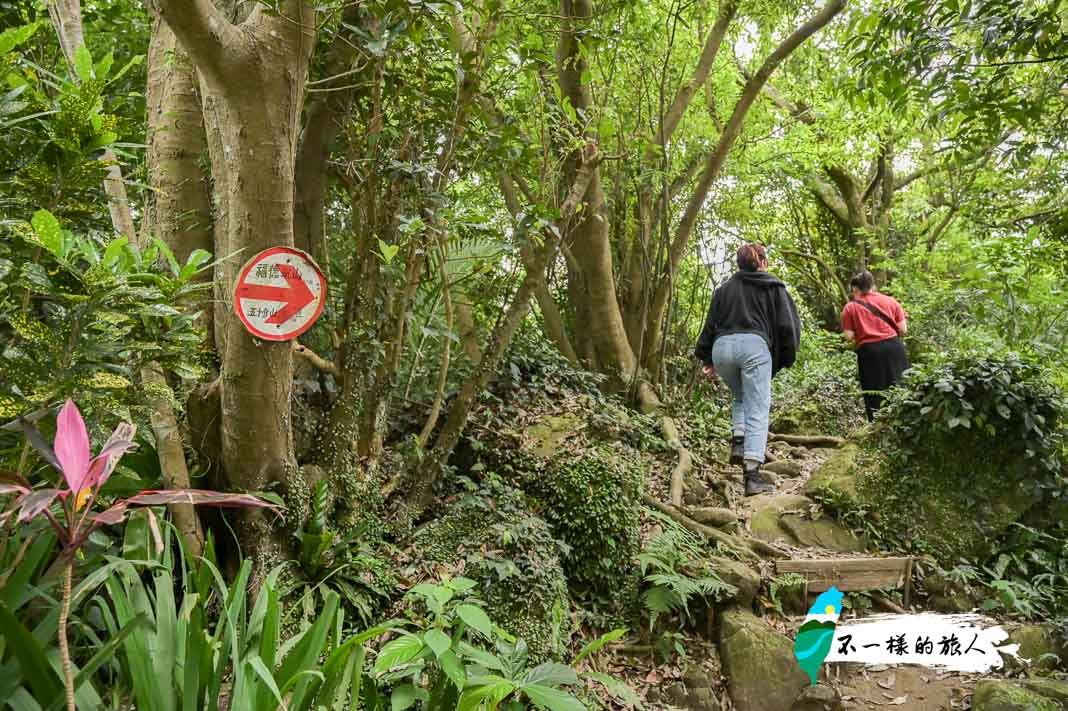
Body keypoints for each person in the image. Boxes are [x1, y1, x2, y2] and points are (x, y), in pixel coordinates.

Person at [694, 243, 802, 496]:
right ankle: (752, 476)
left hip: (722, 349)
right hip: (754, 347)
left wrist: (707, 359)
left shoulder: (723, 290)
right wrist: (786, 357)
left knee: (741, 395)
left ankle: (738, 442)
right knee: (758, 406)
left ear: (739, 263)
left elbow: (710, 325)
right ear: (762, 262)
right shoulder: (773, 286)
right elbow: (788, 326)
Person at [840, 271, 910, 421]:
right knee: (900, 383)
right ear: (873, 286)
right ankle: (905, 420)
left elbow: (849, 336)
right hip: (894, 347)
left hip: (869, 351)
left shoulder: (850, 307)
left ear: (855, 289)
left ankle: (877, 424)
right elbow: (903, 329)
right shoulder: (891, 301)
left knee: (873, 388)